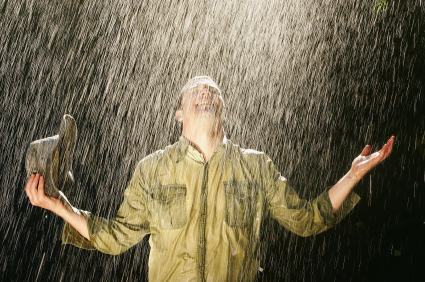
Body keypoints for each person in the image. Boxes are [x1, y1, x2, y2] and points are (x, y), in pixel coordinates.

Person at [25, 76, 395, 281]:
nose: (206, 93)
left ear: (223, 110)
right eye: (196, 91)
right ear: (179, 114)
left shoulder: (255, 166)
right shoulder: (151, 169)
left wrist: (351, 175)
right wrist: (56, 203)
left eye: (213, 91)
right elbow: (115, 237)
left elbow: (306, 219)